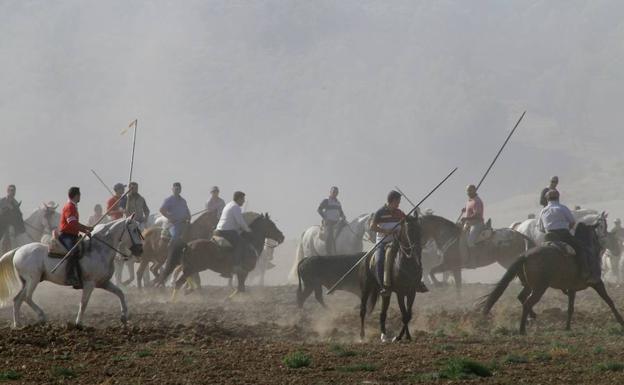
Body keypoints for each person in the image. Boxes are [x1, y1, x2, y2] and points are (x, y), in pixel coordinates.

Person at [537, 189, 594, 284]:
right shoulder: (562, 208)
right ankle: (584, 271)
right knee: (580, 248)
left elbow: (540, 228)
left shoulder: (543, 211)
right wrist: (567, 228)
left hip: (548, 236)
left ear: (547, 199)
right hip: (563, 235)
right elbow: (572, 222)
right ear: (558, 198)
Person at [58, 187, 93, 288]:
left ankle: (79, 277)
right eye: (79, 195)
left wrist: (86, 228)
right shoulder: (69, 207)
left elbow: (75, 223)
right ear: (76, 195)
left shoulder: (73, 206)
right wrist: (85, 230)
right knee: (73, 252)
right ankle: (69, 276)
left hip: (73, 235)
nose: (80, 197)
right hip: (66, 235)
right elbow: (72, 222)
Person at [215, 191, 252, 274]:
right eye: (243, 199)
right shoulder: (236, 207)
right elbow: (240, 222)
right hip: (227, 231)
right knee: (241, 243)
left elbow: (234, 222)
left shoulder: (229, 205)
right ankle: (236, 265)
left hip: (219, 230)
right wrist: (248, 229)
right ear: (239, 199)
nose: (244, 201)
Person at [317, 186, 346, 255]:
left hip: (337, 221)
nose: (335, 193)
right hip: (329, 222)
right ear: (330, 192)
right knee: (329, 235)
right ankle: (328, 253)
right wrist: (325, 218)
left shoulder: (338, 202)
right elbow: (319, 209)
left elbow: (341, 212)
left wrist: (343, 216)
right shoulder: (326, 200)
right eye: (333, 192)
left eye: (336, 192)